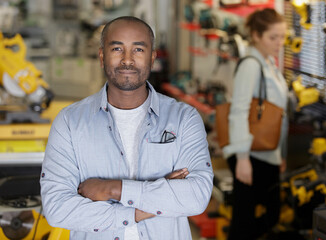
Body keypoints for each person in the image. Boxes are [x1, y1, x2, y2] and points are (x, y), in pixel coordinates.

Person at [40, 16, 214, 240]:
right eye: (117, 48)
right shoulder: (69, 122)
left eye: (138, 50)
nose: (127, 60)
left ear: (152, 58)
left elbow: (196, 197)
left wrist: (114, 189)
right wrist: (141, 210)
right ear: (102, 56)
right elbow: (57, 209)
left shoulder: (183, 119)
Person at [222, 8, 289, 240]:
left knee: (267, 218)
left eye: (282, 36)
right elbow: (239, 112)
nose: (279, 42)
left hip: (266, 153)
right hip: (251, 155)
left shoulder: (269, 63)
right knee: (245, 223)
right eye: (273, 37)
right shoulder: (252, 65)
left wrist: (279, 154)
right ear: (256, 35)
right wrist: (242, 159)